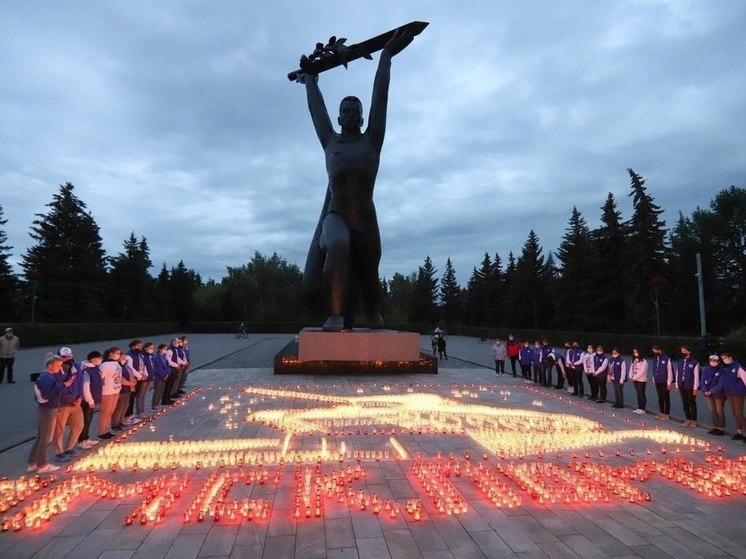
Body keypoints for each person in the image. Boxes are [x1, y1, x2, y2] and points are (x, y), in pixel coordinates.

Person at [298, 29, 417, 331]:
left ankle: (372, 312)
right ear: (339, 119)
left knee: (369, 268)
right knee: (337, 244)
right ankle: (335, 314)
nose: (350, 115)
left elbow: (381, 96)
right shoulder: (330, 142)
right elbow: (316, 110)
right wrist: (310, 79)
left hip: (365, 216)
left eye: (355, 112)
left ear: (363, 119)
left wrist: (386, 57)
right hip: (336, 214)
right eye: (345, 112)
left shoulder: (372, 140)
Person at [27, 354, 68, 474]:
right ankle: (42, 464)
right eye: (58, 366)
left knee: (40, 437)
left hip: (47, 409)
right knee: (46, 438)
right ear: (50, 365)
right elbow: (48, 395)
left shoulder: (46, 377)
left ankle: (32, 463)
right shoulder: (46, 378)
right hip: (48, 409)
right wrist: (63, 385)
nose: (59, 368)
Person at [53, 347, 85, 462]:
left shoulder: (76, 367)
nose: (68, 358)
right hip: (62, 404)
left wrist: (80, 397)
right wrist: (70, 399)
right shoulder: (56, 369)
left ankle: (69, 448)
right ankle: (59, 452)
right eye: (65, 357)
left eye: (69, 356)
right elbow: (59, 387)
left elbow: (81, 382)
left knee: (79, 425)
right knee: (59, 429)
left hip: (76, 402)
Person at [78, 350, 103, 448]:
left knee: (89, 420)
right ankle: (81, 440)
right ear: (93, 359)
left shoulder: (95, 368)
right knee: (85, 420)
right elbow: (86, 387)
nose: (100, 360)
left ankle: (86, 438)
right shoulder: (86, 370)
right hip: (87, 400)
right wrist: (90, 400)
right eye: (99, 358)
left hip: (94, 398)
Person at [720, 352, 746, 441]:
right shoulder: (728, 368)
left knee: (739, 413)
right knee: (735, 413)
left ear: (730, 357)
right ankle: (739, 432)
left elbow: (745, 379)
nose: (724, 360)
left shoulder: (738, 367)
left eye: (725, 358)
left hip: (738, 393)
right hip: (730, 393)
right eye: (723, 359)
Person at [98, 347, 123, 440]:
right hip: (107, 391)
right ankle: (102, 431)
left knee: (110, 412)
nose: (118, 355)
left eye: (119, 353)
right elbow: (100, 377)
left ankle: (107, 429)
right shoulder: (105, 365)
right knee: (105, 412)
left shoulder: (116, 363)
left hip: (116, 390)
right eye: (116, 353)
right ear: (111, 354)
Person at [701, 354, 726, 435]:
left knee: (719, 411)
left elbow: (721, 384)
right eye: (711, 360)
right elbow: (702, 380)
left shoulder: (722, 371)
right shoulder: (706, 370)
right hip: (708, 393)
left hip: (718, 394)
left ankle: (721, 428)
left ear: (718, 362)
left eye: (715, 361)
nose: (713, 362)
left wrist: (711, 391)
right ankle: (716, 426)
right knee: (712, 410)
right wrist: (704, 390)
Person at [676, 345, 700, 428]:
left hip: (690, 385)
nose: (683, 352)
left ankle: (694, 420)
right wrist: (677, 385)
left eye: (685, 351)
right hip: (682, 385)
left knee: (691, 403)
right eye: (682, 351)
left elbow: (696, 376)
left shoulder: (694, 362)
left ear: (689, 352)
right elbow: (678, 373)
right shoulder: (680, 361)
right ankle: (688, 419)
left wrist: (695, 387)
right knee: (685, 403)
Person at [651, 345, 674, 420]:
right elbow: (654, 370)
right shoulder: (655, 359)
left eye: (655, 351)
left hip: (665, 381)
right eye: (653, 351)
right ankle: (661, 412)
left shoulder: (667, 359)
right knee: (660, 397)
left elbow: (670, 371)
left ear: (660, 350)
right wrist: (654, 380)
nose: (654, 352)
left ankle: (666, 414)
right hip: (657, 381)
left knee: (666, 398)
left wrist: (669, 383)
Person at [629, 348, 648, 414]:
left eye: (636, 352)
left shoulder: (644, 361)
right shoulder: (634, 360)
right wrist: (631, 376)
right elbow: (631, 368)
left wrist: (634, 377)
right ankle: (639, 407)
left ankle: (643, 408)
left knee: (641, 394)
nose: (635, 353)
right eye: (634, 352)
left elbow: (643, 371)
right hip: (635, 379)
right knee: (638, 394)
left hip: (641, 380)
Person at [151, 343, 171, 410]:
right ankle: (154, 405)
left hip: (165, 376)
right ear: (160, 349)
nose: (165, 350)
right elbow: (157, 368)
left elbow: (167, 366)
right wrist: (163, 375)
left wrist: (167, 373)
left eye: (166, 349)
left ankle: (158, 403)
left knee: (161, 391)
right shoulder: (155, 357)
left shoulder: (164, 357)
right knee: (157, 391)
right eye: (164, 349)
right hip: (158, 377)